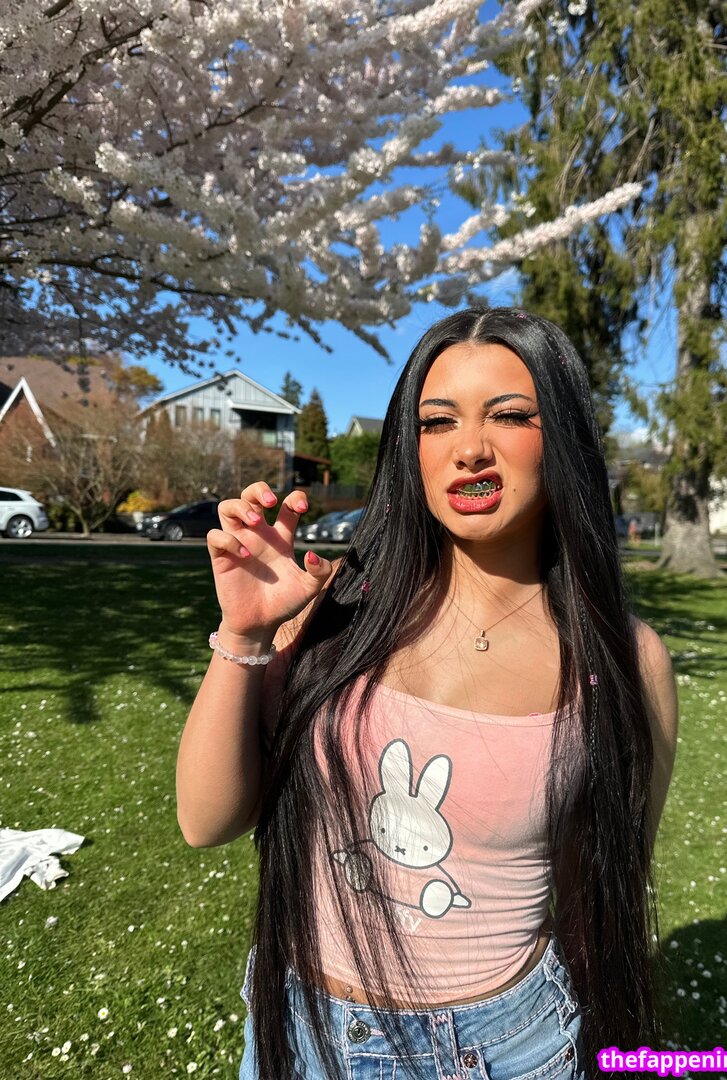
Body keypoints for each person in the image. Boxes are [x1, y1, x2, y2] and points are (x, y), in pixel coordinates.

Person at [176, 308, 679, 1080]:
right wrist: (244, 634)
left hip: (509, 1047)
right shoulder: (335, 612)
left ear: (565, 439)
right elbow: (206, 820)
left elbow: (600, 893)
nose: (468, 447)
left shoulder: (622, 662)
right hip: (298, 1032)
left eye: (509, 415)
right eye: (438, 421)